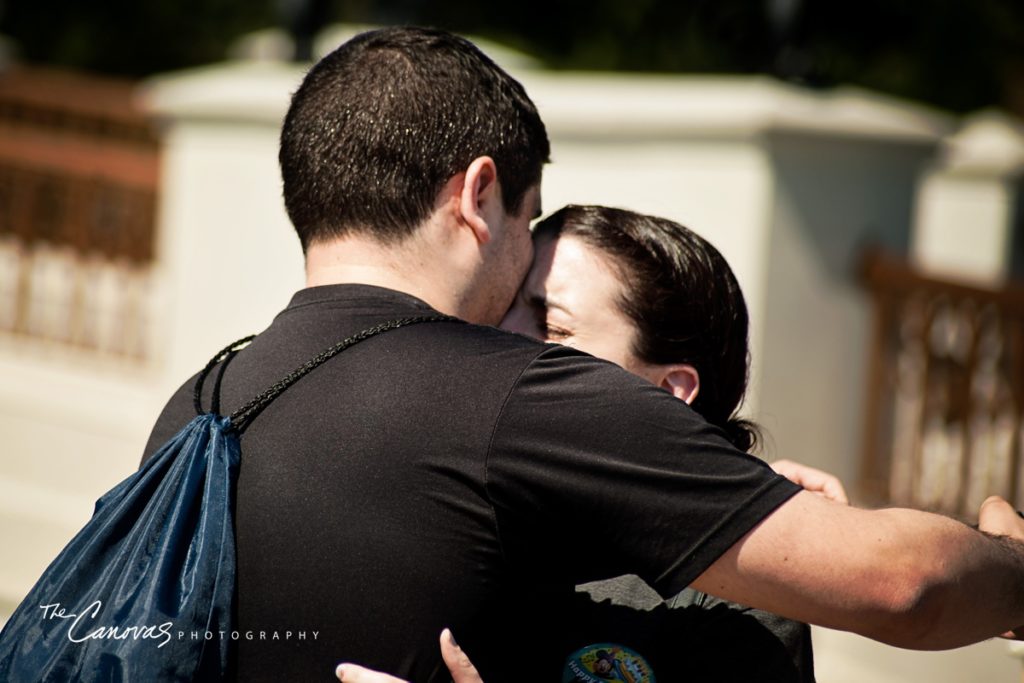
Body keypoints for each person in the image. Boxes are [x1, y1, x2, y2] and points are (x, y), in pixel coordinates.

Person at [142, 26, 1024, 683]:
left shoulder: (201, 401)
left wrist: (750, 518)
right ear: (479, 195)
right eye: (528, 219)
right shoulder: (516, 400)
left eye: (551, 322)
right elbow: (909, 584)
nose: (521, 310)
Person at [336, 204, 845, 683]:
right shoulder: (441, 510)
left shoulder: (737, 600)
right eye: (505, 304)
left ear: (669, 390)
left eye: (551, 326)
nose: (500, 334)